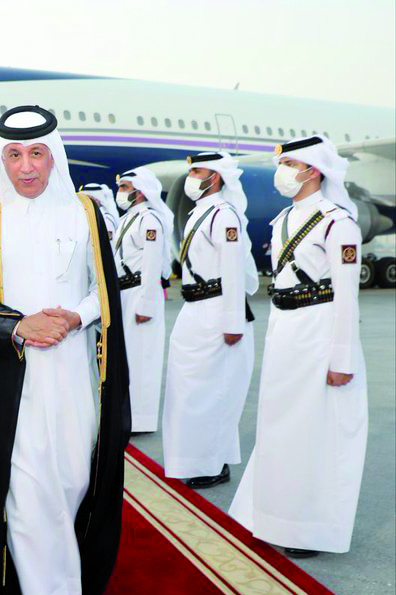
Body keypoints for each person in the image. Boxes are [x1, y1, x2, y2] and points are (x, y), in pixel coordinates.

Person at [0, 106, 129, 595]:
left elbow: (106, 288)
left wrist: (76, 316)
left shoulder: (84, 212)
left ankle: (61, 582)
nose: (26, 166)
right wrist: (18, 325)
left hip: (75, 373)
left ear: (54, 157)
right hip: (12, 380)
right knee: (25, 492)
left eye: (36, 153)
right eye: (14, 155)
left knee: (73, 478)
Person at [230, 136, 367, 559]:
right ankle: (270, 515)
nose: (282, 171)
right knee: (279, 427)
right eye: (282, 163)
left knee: (312, 432)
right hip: (285, 330)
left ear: (314, 171)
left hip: (319, 332)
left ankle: (306, 527)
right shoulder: (283, 220)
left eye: (290, 163)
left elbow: (347, 297)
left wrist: (342, 358)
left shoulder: (338, 223)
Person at [161, 152, 259, 489]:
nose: (190, 178)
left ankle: (214, 463)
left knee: (215, 392)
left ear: (215, 177)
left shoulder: (224, 215)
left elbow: (232, 270)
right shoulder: (198, 213)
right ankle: (196, 458)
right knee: (189, 391)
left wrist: (232, 322)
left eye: (198, 171)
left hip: (218, 311)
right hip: (194, 309)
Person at [114, 167, 173, 433]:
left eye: (125, 188)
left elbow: (151, 264)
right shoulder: (128, 219)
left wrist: (146, 304)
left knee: (142, 358)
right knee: (127, 357)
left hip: (141, 292)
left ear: (140, 192)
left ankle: (141, 420)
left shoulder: (150, 220)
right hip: (125, 293)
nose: (120, 192)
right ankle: (127, 415)